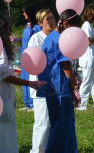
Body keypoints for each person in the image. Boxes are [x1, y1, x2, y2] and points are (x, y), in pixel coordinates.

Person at [0, 14, 46, 153]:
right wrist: (29, 83)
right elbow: (4, 74)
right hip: (3, 99)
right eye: (9, 27)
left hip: (6, 98)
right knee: (5, 140)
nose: (11, 30)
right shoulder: (1, 47)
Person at [37, 9, 81, 152]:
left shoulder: (52, 36)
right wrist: (74, 88)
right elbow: (65, 65)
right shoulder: (60, 39)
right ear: (66, 24)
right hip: (60, 90)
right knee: (61, 129)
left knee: (66, 126)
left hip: (54, 88)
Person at [28, 9, 55, 153]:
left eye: (52, 18)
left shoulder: (57, 36)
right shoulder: (36, 38)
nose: (51, 21)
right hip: (40, 85)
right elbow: (36, 62)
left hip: (54, 85)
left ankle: (46, 149)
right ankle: (36, 151)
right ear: (40, 23)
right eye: (47, 19)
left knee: (50, 123)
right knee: (42, 122)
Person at [20, 4, 42, 110]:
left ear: (29, 13)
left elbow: (38, 41)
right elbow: (25, 41)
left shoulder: (37, 27)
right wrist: (17, 40)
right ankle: (27, 104)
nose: (23, 14)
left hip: (32, 58)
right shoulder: (26, 25)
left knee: (31, 79)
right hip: (24, 57)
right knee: (24, 79)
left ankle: (33, 104)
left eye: (24, 12)